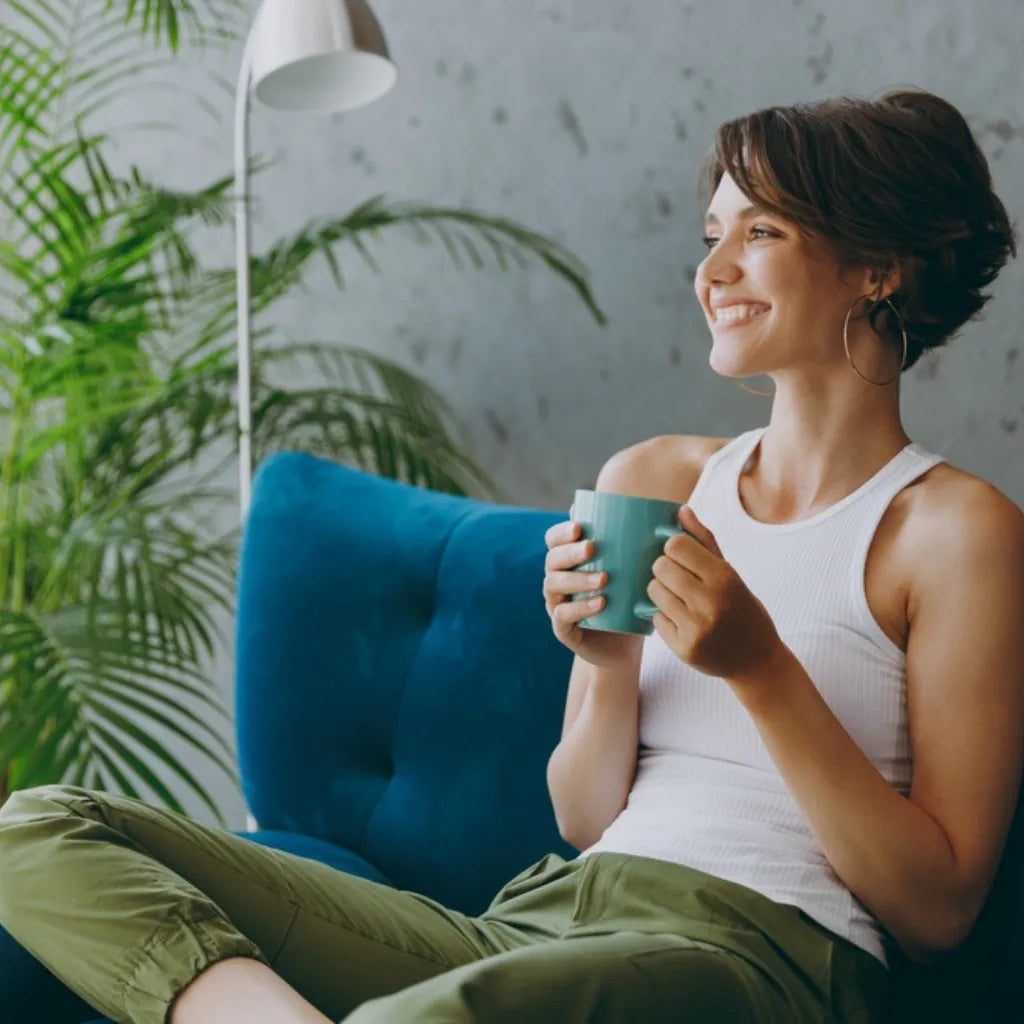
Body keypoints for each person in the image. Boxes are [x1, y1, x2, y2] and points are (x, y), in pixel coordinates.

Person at [0, 87, 1022, 1024]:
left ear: (876, 269)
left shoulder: (952, 530)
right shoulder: (655, 479)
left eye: (760, 233)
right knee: (36, 828)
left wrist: (757, 666)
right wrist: (604, 659)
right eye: (712, 235)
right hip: (547, 916)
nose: (711, 273)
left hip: (754, 953)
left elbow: (936, 909)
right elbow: (584, 817)